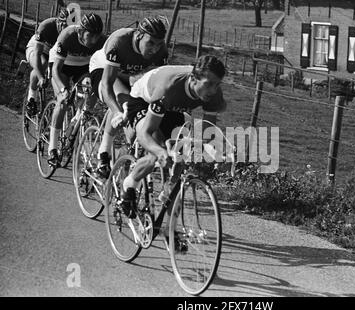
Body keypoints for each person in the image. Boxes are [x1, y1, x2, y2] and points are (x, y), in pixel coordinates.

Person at [118, 55, 227, 219]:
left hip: (174, 108)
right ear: (193, 79)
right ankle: (129, 184)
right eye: (209, 84)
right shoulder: (168, 88)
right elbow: (146, 133)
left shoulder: (213, 94)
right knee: (156, 151)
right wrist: (161, 152)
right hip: (144, 101)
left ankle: (169, 208)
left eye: (217, 84)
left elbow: (208, 134)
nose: (213, 90)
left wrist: (217, 153)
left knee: (180, 153)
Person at [88, 16, 169, 179]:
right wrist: (117, 112)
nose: (155, 49)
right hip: (103, 68)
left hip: (130, 75)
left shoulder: (161, 51)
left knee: (139, 113)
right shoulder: (120, 41)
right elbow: (107, 85)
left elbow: (161, 83)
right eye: (151, 43)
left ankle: (127, 154)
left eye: (159, 44)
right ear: (139, 35)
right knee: (121, 101)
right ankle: (103, 155)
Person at [47, 13, 106, 167]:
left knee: (91, 89)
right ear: (81, 31)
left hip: (84, 66)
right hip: (62, 64)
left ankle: (77, 120)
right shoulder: (68, 35)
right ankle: (52, 148)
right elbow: (55, 70)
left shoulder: (102, 41)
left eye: (96, 36)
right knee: (63, 101)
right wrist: (62, 89)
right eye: (90, 35)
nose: (93, 40)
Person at [24, 8, 69, 116]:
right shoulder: (46, 26)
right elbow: (36, 54)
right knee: (42, 64)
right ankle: (31, 99)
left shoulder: (71, 32)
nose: (66, 30)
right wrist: (40, 76)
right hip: (38, 48)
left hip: (54, 53)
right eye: (64, 26)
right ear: (58, 22)